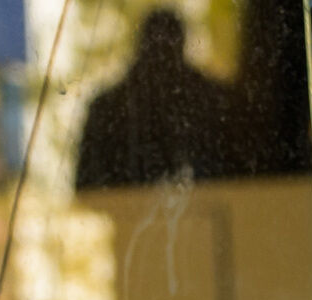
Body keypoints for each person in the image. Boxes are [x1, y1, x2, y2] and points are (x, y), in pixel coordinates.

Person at [76, 10, 238, 190]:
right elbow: (88, 190)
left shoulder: (107, 108)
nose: (161, 62)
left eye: (167, 47)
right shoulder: (214, 101)